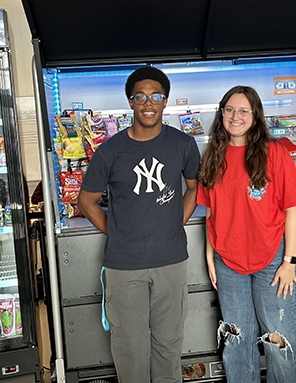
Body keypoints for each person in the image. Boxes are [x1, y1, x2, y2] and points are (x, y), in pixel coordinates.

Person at [77, 66, 200, 383]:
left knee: (168, 346)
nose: (148, 103)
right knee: (130, 350)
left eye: (156, 96)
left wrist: (176, 222)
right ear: (130, 102)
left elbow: (193, 188)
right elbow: (87, 201)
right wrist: (116, 231)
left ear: (165, 101)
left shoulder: (184, 145)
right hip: (124, 265)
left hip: (171, 262)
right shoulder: (109, 152)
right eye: (141, 97)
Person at [197, 85, 296, 383]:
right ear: (221, 113)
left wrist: (290, 261)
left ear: (255, 115)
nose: (236, 117)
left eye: (243, 111)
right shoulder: (212, 156)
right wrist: (210, 255)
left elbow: (293, 210)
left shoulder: (275, 153)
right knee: (236, 343)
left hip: (273, 261)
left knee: (278, 341)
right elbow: (211, 211)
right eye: (230, 110)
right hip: (228, 262)